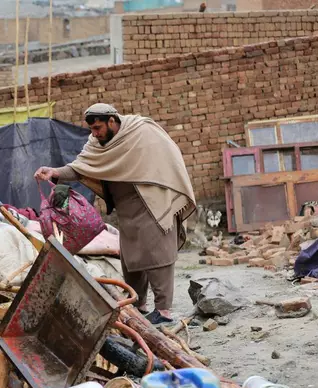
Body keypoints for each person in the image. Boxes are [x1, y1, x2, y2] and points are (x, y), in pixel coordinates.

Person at [34, 103, 196, 325]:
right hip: (126, 209)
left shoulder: (141, 130)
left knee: (158, 256)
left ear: (112, 121)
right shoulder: (97, 143)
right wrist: (54, 172)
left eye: (98, 128)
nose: (95, 133)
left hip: (152, 202)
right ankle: (139, 306)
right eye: (92, 129)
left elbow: (168, 157)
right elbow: (81, 167)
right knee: (131, 258)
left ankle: (164, 311)